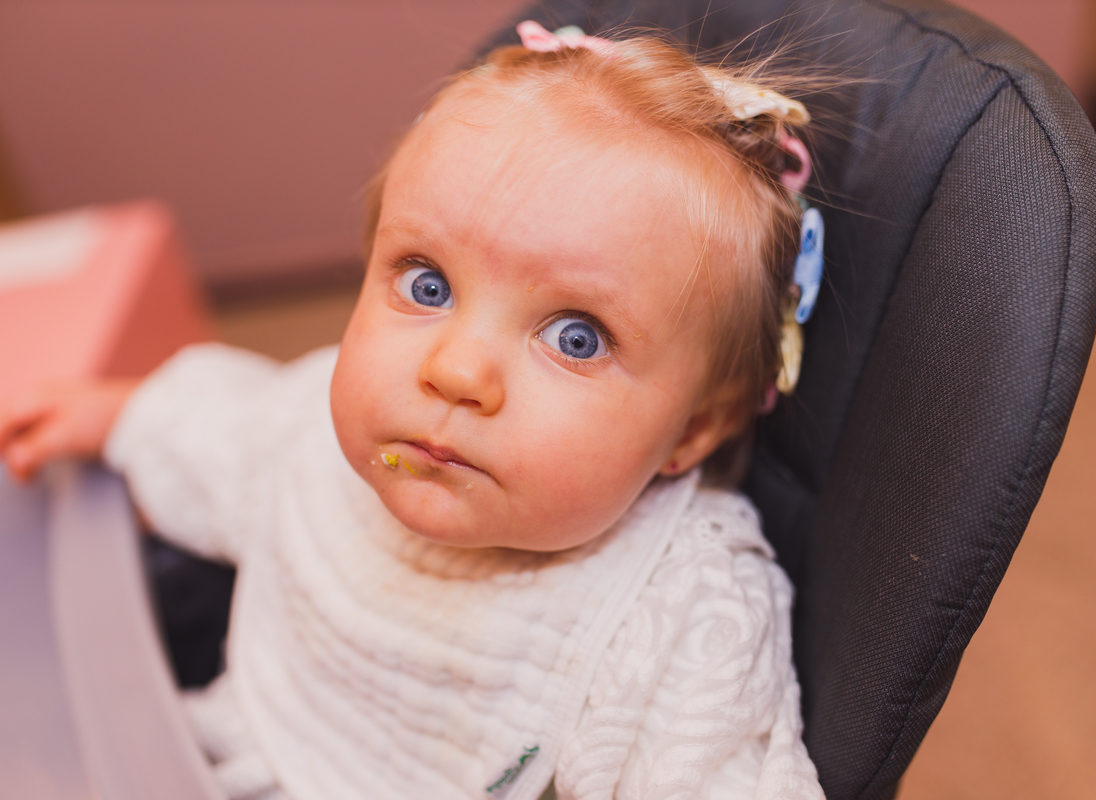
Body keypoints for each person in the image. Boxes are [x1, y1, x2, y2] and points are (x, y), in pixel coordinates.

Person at [0, 22, 826, 800]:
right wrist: (126, 417)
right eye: (427, 286)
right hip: (214, 755)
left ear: (688, 432)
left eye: (576, 338)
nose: (457, 370)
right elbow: (229, 435)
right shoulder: (327, 440)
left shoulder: (682, 609)